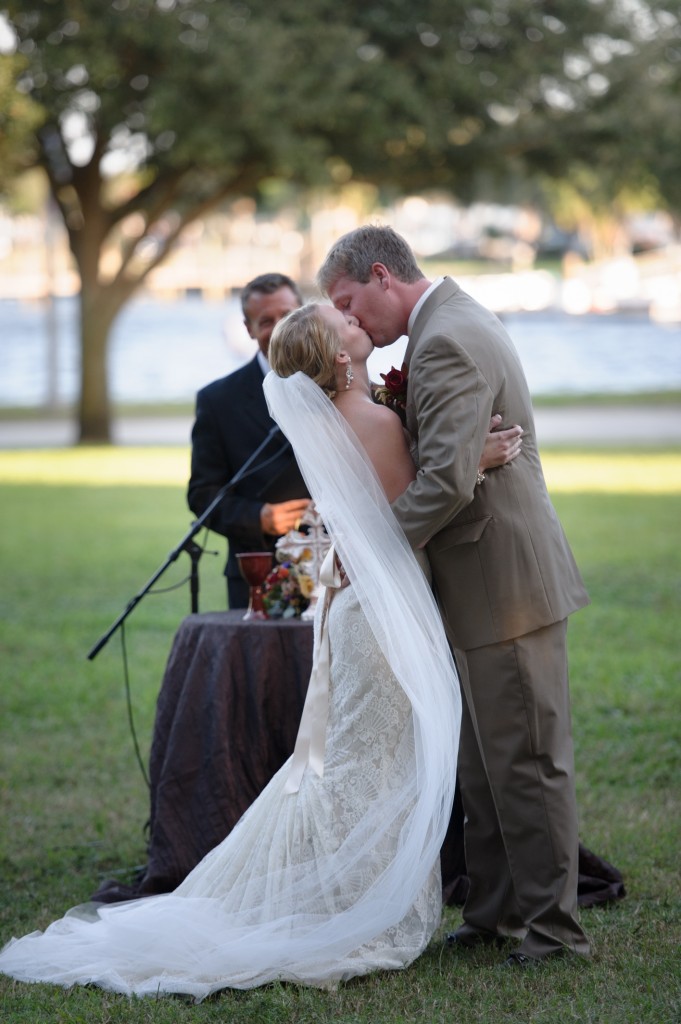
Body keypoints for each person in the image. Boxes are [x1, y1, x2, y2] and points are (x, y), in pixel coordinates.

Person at [0, 305, 518, 998]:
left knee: (353, 756)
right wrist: (469, 465)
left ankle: (335, 892)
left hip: (357, 605)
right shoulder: (373, 422)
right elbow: (415, 514)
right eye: (343, 329)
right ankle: (346, 905)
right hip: (386, 606)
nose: (354, 323)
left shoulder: (336, 422)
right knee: (372, 762)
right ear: (337, 360)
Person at [317, 225, 591, 967]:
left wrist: (364, 555)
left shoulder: (445, 339)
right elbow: (449, 460)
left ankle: (552, 930)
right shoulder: (447, 322)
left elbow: (439, 481)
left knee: (526, 760)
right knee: (482, 760)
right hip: (472, 582)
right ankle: (495, 910)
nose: (351, 322)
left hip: (501, 581)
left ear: (381, 275)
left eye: (348, 302)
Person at [187, 272, 311, 608]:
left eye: (287, 316)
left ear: (304, 314)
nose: (279, 328)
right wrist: (259, 517)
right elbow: (202, 495)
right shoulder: (217, 400)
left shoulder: (338, 383)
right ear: (248, 328)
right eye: (266, 320)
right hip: (256, 575)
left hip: (334, 569)